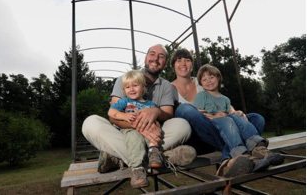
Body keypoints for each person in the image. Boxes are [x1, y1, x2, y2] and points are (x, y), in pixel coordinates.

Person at [82, 44, 196, 187]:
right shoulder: (126, 79)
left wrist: (156, 111)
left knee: (183, 125)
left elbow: (168, 116)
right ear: (146, 58)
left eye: (161, 56)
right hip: (126, 133)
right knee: (90, 123)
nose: (155, 59)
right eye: (152, 54)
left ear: (165, 63)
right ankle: (164, 158)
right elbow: (113, 116)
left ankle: (119, 159)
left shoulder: (166, 85)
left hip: (153, 135)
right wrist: (138, 125)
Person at [170, 49, 284, 177]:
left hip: (223, 126)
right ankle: (243, 152)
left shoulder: (202, 80)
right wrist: (207, 115)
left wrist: (235, 112)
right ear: (173, 65)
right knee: (184, 109)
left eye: (187, 60)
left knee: (256, 119)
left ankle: (232, 160)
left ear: (192, 64)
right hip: (200, 134)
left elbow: (219, 100)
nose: (183, 63)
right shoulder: (169, 88)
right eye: (179, 60)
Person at [108, 70, 164, 188]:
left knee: (154, 131)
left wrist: (155, 124)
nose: (131, 89)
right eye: (128, 87)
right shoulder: (125, 102)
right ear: (124, 90)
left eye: (135, 85)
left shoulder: (150, 105)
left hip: (146, 130)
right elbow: (111, 112)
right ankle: (137, 170)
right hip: (131, 130)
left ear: (143, 87)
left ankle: (154, 153)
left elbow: (156, 118)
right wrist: (124, 116)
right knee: (134, 139)